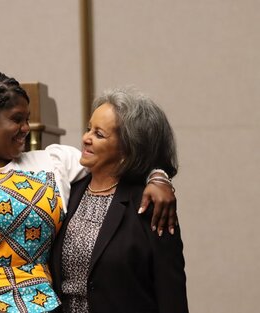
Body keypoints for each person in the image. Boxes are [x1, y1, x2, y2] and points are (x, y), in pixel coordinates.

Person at [0, 72, 177, 313]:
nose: (26, 128)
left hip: (44, 305)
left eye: (28, 119)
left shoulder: (54, 163)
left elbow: (116, 155)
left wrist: (159, 176)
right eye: (17, 119)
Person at [50, 87, 188, 313]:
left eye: (99, 134)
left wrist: (160, 177)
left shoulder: (149, 204)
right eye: (88, 129)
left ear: (128, 148)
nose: (86, 138)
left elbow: (170, 292)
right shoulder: (67, 190)